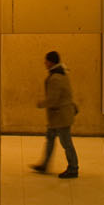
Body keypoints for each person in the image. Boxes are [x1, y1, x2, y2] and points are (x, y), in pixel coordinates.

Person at [30, 51, 78, 179]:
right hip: (58, 116)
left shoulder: (55, 77)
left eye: (46, 61)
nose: (44, 63)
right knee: (50, 139)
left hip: (60, 117)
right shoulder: (61, 73)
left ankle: (73, 168)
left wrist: (41, 104)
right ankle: (45, 164)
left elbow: (53, 99)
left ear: (51, 62)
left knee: (66, 142)